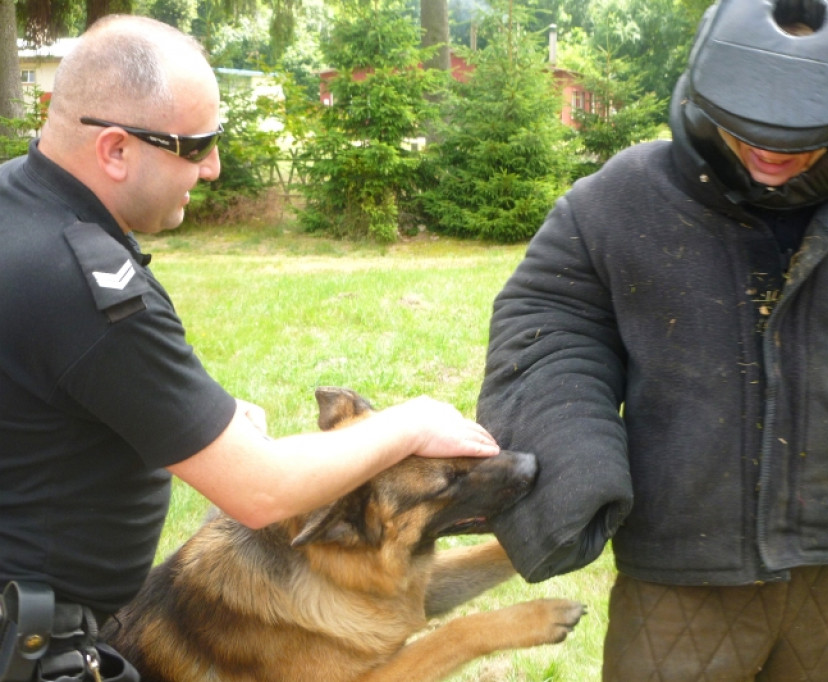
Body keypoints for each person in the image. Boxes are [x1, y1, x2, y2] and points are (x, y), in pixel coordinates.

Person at [476, 0, 828, 680]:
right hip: (681, 580)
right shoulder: (618, 202)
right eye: (751, 129)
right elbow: (549, 328)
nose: (772, 153)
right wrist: (567, 464)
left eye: (805, 137)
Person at [0, 15, 499, 681]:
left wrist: (209, 421)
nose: (212, 168)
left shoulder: (18, 211)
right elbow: (260, 493)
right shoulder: (86, 286)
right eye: (195, 144)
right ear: (116, 149)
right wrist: (417, 419)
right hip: (28, 645)